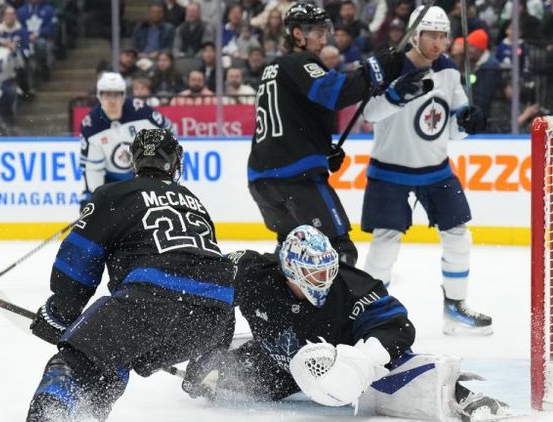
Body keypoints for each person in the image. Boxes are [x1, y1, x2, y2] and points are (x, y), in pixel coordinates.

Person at [182, 225, 508, 421]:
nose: (323, 279)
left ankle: (459, 394)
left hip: (344, 361)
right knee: (218, 382)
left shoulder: (351, 288)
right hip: (281, 364)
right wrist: (210, 350)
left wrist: (364, 361)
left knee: (395, 370)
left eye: (326, 270)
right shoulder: (253, 273)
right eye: (313, 273)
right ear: (288, 269)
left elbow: (398, 326)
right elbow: (209, 296)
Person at [26, 128, 236, 421]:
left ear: (134, 162)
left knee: (76, 363)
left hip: (149, 306)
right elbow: (208, 266)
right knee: (113, 356)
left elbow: (78, 259)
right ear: (175, 164)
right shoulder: (194, 201)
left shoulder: (113, 194)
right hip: (212, 320)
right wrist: (207, 355)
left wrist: (61, 311)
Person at [360, 5, 492, 336]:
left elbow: (451, 128)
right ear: (415, 35)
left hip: (436, 170)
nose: (437, 43)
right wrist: (394, 95)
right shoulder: (391, 66)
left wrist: (466, 123)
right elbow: (370, 114)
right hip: (389, 171)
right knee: (384, 243)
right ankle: (372, 312)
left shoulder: (448, 71)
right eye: (430, 35)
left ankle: (455, 309)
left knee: (459, 235)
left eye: (443, 36)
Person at [247, 2, 407, 266]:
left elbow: (291, 117)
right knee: (338, 252)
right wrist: (375, 68)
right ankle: (341, 309)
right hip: (294, 177)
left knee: (292, 256)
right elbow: (336, 93)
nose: (324, 39)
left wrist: (320, 150)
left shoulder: (274, 68)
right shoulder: (299, 61)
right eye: (317, 32)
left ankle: (281, 305)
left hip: (262, 180)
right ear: (297, 34)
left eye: (325, 32)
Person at [79, 72, 173, 209]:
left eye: (116, 94)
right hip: (113, 182)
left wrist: (157, 167)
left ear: (123, 95)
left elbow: (169, 132)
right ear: (99, 95)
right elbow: (93, 168)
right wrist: (94, 196)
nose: (112, 100)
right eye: (107, 94)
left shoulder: (141, 112)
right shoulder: (91, 125)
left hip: (147, 175)